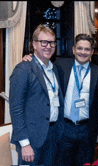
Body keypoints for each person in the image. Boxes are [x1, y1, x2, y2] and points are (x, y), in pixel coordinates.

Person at [23, 33, 98, 165]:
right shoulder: (60, 65)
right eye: (80, 48)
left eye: (87, 49)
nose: (83, 52)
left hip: (87, 131)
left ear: (92, 52)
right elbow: (41, 64)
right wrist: (30, 58)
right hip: (64, 129)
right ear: (73, 49)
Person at [9, 24, 64, 165]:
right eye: (43, 42)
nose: (48, 46)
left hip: (52, 136)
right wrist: (25, 144)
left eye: (52, 42)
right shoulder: (23, 69)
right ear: (34, 44)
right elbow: (16, 109)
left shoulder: (54, 69)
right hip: (31, 140)